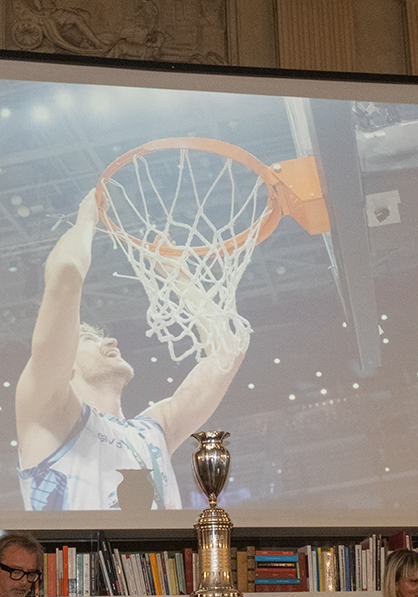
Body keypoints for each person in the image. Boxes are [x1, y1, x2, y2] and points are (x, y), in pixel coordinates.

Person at [14, 189, 247, 512]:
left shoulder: (154, 428)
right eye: (90, 339)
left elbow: (227, 353)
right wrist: (87, 218)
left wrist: (179, 276)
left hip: (160, 564)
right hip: (79, 563)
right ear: (66, 365)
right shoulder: (49, 412)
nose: (109, 341)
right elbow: (66, 271)